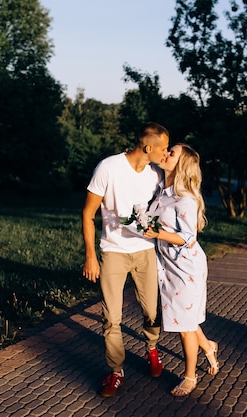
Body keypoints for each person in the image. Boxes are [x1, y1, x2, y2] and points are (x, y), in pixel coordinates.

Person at [81, 122, 169, 398]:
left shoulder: (156, 175)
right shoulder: (108, 168)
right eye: (164, 148)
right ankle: (116, 370)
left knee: (152, 311)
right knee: (112, 317)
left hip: (145, 251)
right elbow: (87, 214)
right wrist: (91, 257)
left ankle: (152, 349)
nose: (165, 153)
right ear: (148, 147)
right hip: (114, 251)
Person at [143, 143, 220, 396]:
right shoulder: (162, 192)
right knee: (181, 317)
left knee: (184, 325)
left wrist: (158, 232)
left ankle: (189, 377)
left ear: (181, 165)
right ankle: (208, 346)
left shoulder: (184, 198)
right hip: (168, 265)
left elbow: (189, 237)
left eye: (171, 153)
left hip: (186, 268)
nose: (165, 154)